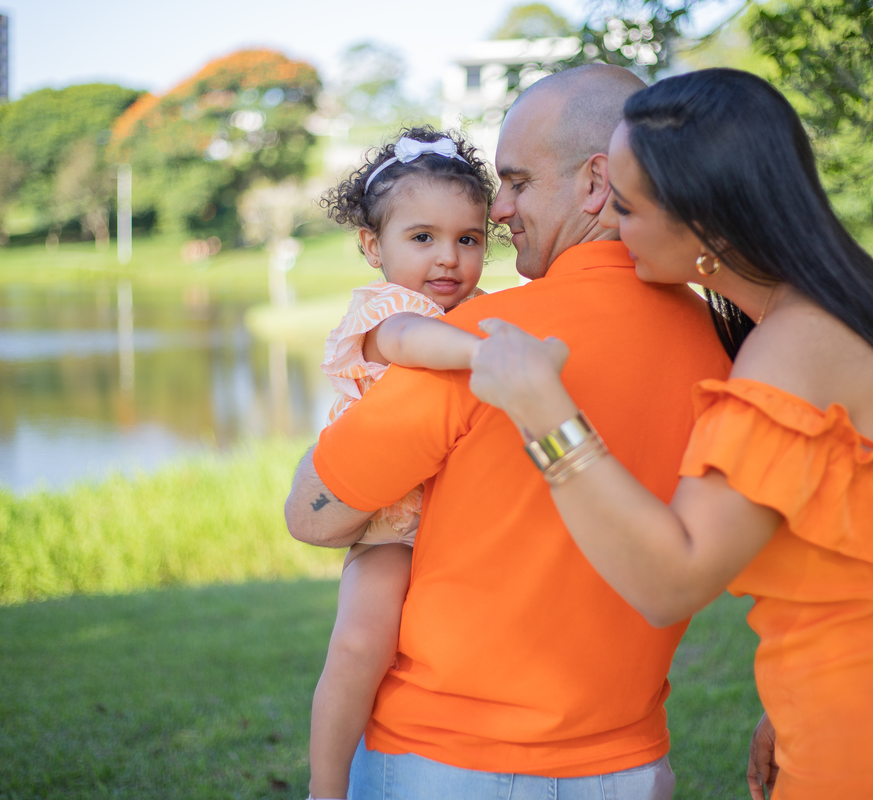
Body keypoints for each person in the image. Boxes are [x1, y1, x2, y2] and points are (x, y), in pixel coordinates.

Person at [467, 68, 873, 799]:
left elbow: (669, 579)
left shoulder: (796, 348)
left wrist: (542, 411)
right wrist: (794, 702)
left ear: (704, 224)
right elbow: (870, 562)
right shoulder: (846, 303)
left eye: (625, 207)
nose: (613, 227)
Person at [285, 64, 732, 799]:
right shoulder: (712, 344)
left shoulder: (489, 336)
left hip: (443, 761)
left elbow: (314, 515)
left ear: (596, 183)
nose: (499, 214)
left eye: (517, 183)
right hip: (627, 766)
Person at [308, 126, 495, 800]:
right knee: (362, 643)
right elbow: (412, 342)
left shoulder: (478, 311)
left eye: (468, 239)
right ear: (372, 246)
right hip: (388, 526)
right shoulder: (390, 310)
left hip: (456, 524)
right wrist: (485, 351)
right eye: (422, 238)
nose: (448, 258)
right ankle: (326, 788)